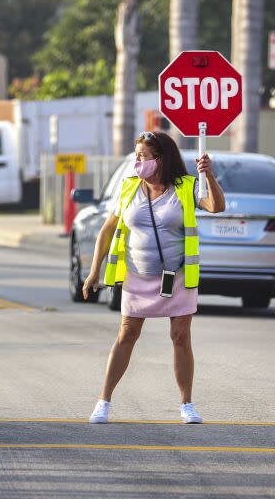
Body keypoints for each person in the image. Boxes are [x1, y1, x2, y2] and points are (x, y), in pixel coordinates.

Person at [83, 131, 225, 424]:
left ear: (161, 159)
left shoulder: (187, 187)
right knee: (127, 334)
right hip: (138, 275)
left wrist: (208, 175)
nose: (138, 161)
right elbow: (108, 230)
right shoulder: (128, 187)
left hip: (178, 275)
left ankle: (187, 405)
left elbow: (216, 206)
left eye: (143, 156)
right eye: (137, 156)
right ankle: (103, 402)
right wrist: (94, 270)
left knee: (181, 337)